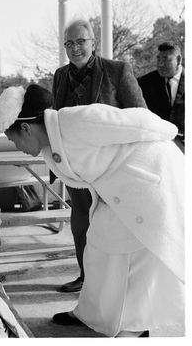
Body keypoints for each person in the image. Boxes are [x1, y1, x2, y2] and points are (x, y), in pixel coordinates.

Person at [0, 84, 184, 337]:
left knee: (140, 255)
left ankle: (135, 327)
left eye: (13, 140)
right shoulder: (49, 142)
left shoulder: (77, 120)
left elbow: (142, 120)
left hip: (152, 180)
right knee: (98, 246)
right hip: (117, 191)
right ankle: (92, 314)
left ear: (25, 128)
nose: (17, 147)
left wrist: (173, 132)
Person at [51, 19, 147, 293]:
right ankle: (85, 277)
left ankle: (116, 284)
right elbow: (56, 118)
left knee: (112, 226)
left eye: (81, 41)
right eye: (69, 43)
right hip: (75, 168)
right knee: (81, 224)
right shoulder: (60, 75)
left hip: (111, 168)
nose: (75, 48)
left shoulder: (117, 71)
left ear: (93, 43)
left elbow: (140, 115)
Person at [137, 42, 185, 152]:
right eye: (158, 59)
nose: (160, 64)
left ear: (178, 60)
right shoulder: (143, 83)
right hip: (155, 147)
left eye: (166, 60)